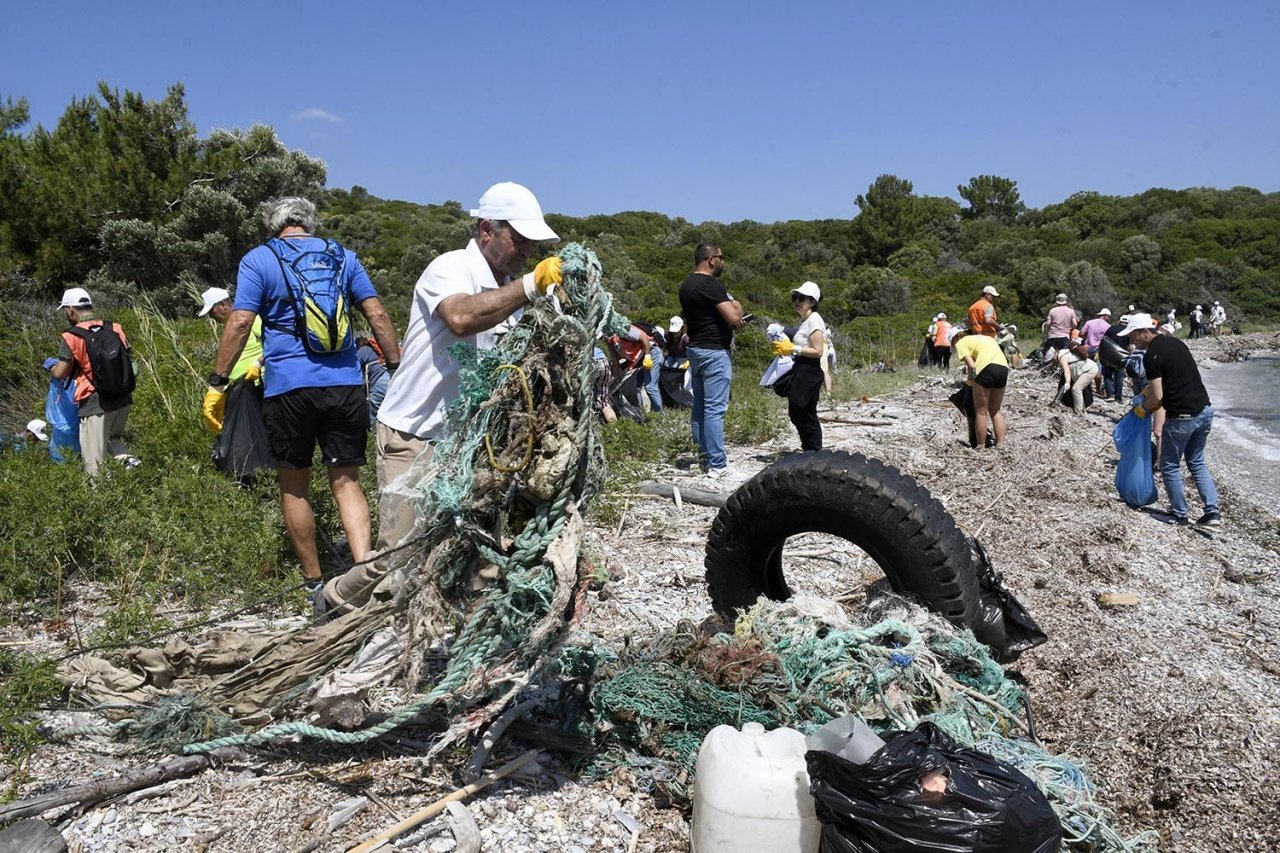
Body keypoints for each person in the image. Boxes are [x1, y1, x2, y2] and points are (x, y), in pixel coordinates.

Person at [318, 182, 562, 614]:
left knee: (479, 545)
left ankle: (477, 629)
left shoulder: (509, 289)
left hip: (467, 444)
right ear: (487, 229)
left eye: (533, 243)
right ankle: (336, 597)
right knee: (398, 556)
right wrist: (530, 286)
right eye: (519, 238)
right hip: (415, 435)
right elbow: (461, 317)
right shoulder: (450, 268)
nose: (528, 250)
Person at [208, 196, 402, 595]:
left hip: (288, 388)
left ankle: (315, 583)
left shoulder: (259, 259)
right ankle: (363, 573)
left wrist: (218, 381)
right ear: (309, 223)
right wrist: (396, 368)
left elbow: (241, 321)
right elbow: (377, 315)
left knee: (294, 485)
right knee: (347, 482)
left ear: (273, 225)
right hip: (345, 384)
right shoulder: (344, 257)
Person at [1117, 313, 1220, 527]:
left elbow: (1158, 397)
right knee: (1196, 462)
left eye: (1133, 335)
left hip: (1182, 417)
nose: (1131, 340)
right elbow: (1175, 377)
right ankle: (1212, 512)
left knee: (1169, 465)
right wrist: (1148, 393)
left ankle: (1179, 514)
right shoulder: (1177, 343)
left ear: (1145, 332)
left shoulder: (1151, 355)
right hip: (1204, 410)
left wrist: (1141, 409)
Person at [48, 288, 139, 475]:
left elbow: (61, 373)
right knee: (111, 440)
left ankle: (98, 491)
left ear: (71, 309)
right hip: (122, 397)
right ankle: (134, 467)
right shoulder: (115, 328)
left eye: (65, 309)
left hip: (95, 402)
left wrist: (50, 366)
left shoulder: (72, 336)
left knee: (93, 459)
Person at [678, 243, 747, 477]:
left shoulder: (686, 286)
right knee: (715, 409)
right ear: (711, 260)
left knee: (699, 407)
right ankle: (718, 464)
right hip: (714, 352)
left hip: (695, 349)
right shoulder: (711, 284)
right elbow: (733, 316)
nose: (723, 262)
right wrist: (737, 306)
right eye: (721, 257)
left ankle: (704, 458)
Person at [770, 282, 826, 451]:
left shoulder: (814, 320)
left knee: (804, 411)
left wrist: (793, 349)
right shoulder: (806, 321)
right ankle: (809, 449)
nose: (797, 301)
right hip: (802, 367)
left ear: (812, 302)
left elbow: (818, 351)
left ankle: (814, 450)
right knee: (798, 411)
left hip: (810, 369)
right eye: (795, 297)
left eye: (802, 298)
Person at [951, 328, 1008, 448]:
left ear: (954, 339)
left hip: (986, 369)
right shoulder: (986, 338)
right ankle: (1001, 444)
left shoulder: (961, 342)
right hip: (1003, 368)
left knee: (981, 411)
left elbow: (971, 365)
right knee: (995, 410)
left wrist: (969, 382)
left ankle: (981, 446)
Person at [1055, 338, 1099, 415]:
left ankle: (1079, 411)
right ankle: (1083, 408)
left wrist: (1067, 383)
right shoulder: (1065, 352)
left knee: (1076, 389)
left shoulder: (1062, 358)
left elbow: (1067, 371)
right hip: (1086, 368)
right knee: (1078, 389)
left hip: (1089, 370)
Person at [356, 337, 389, 426]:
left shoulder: (363, 350)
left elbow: (355, 368)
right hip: (393, 377)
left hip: (380, 381)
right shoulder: (382, 349)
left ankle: (371, 429)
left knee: (373, 412)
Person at [1081, 308, 1112, 397]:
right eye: (1109, 317)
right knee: (1097, 370)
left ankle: (1084, 386)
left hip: (1087, 347)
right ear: (1106, 316)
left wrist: (1087, 337)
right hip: (1099, 349)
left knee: (1085, 368)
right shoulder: (1108, 326)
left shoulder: (1089, 322)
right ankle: (1098, 389)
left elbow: (1081, 333)